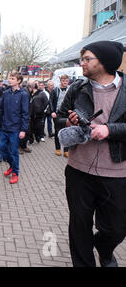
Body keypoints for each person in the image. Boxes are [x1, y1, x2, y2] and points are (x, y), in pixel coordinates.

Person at [57, 40, 126, 267]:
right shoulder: (78, 87)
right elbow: (58, 117)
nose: (82, 63)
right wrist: (68, 120)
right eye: (82, 59)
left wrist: (109, 129)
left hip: (117, 173)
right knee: (79, 225)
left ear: (105, 62)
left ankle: (105, 250)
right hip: (79, 170)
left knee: (116, 228)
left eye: (87, 59)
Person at [0, 71, 29, 185]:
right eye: (9, 78)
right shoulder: (6, 93)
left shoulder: (23, 94)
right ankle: (12, 166)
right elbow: (0, 110)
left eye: (12, 78)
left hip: (15, 128)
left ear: (18, 81)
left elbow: (25, 113)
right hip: (4, 127)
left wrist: (23, 129)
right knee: (2, 149)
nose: (10, 80)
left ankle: (15, 173)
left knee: (13, 151)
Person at [50, 74, 70, 157]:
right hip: (57, 114)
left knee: (67, 132)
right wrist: (52, 111)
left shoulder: (70, 89)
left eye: (66, 81)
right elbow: (51, 101)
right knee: (58, 131)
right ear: (60, 81)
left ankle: (66, 150)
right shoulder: (55, 90)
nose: (65, 82)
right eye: (63, 81)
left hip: (68, 114)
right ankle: (58, 149)